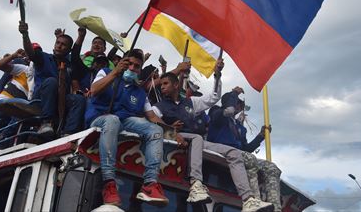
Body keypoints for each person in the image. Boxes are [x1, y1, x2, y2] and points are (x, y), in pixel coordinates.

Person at [153, 67, 273, 212]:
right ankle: (196, 185)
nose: (162, 87)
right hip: (175, 138)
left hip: (196, 143)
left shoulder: (190, 102)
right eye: (161, 85)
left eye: (165, 84)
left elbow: (213, 97)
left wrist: (217, 75)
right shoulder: (160, 106)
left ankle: (248, 200)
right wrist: (170, 130)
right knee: (197, 137)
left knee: (234, 153)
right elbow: (149, 119)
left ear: (176, 85)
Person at [85, 49, 169, 207]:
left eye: (136, 66)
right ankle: (109, 183)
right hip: (100, 119)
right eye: (129, 63)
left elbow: (152, 117)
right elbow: (94, 90)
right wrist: (115, 73)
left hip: (125, 121)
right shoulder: (106, 72)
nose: (132, 68)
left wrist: (173, 133)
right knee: (113, 120)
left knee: (155, 130)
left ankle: (150, 184)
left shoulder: (140, 92)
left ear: (139, 70)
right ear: (120, 62)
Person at [208, 89, 282, 212]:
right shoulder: (217, 113)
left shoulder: (239, 127)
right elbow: (227, 110)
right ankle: (254, 202)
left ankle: (276, 208)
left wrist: (260, 136)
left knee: (271, 167)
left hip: (239, 155)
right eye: (236, 103)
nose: (238, 106)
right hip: (219, 151)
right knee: (249, 158)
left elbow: (245, 149)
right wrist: (234, 94)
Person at [19, 21, 85, 138]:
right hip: (41, 98)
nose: (59, 46)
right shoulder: (44, 57)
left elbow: (76, 53)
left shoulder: (69, 65)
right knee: (52, 81)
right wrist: (25, 34)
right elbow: (30, 51)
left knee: (78, 99)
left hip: (60, 100)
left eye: (63, 45)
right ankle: (46, 123)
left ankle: (68, 133)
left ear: (69, 50)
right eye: (57, 42)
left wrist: (81, 35)